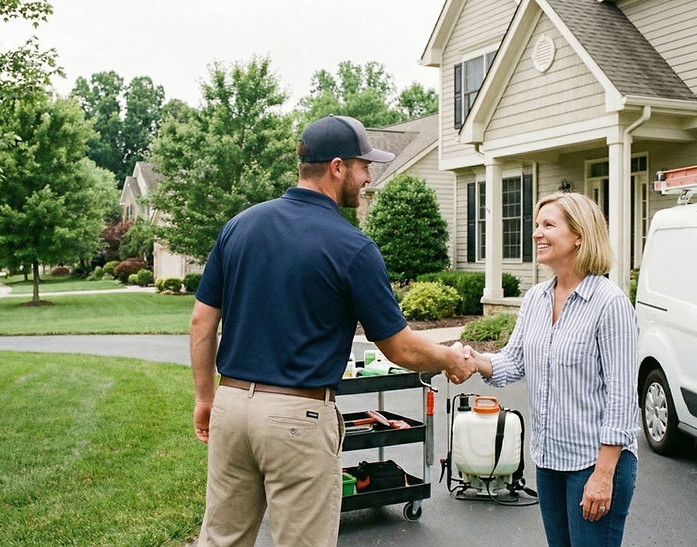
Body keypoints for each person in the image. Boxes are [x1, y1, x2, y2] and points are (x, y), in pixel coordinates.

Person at [190, 114, 476, 546]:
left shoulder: (239, 227)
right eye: (364, 166)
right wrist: (451, 357)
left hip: (231, 409)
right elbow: (400, 348)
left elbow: (201, 322)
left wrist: (205, 398)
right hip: (297, 419)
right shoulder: (352, 247)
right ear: (338, 167)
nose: (367, 178)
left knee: (221, 540)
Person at [469, 191, 639, 547]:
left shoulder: (610, 304)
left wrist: (603, 474)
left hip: (593, 464)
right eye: (536, 225)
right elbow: (514, 361)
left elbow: (623, 398)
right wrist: (469, 360)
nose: (536, 233)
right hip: (549, 461)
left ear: (579, 235)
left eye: (548, 225)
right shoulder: (536, 298)